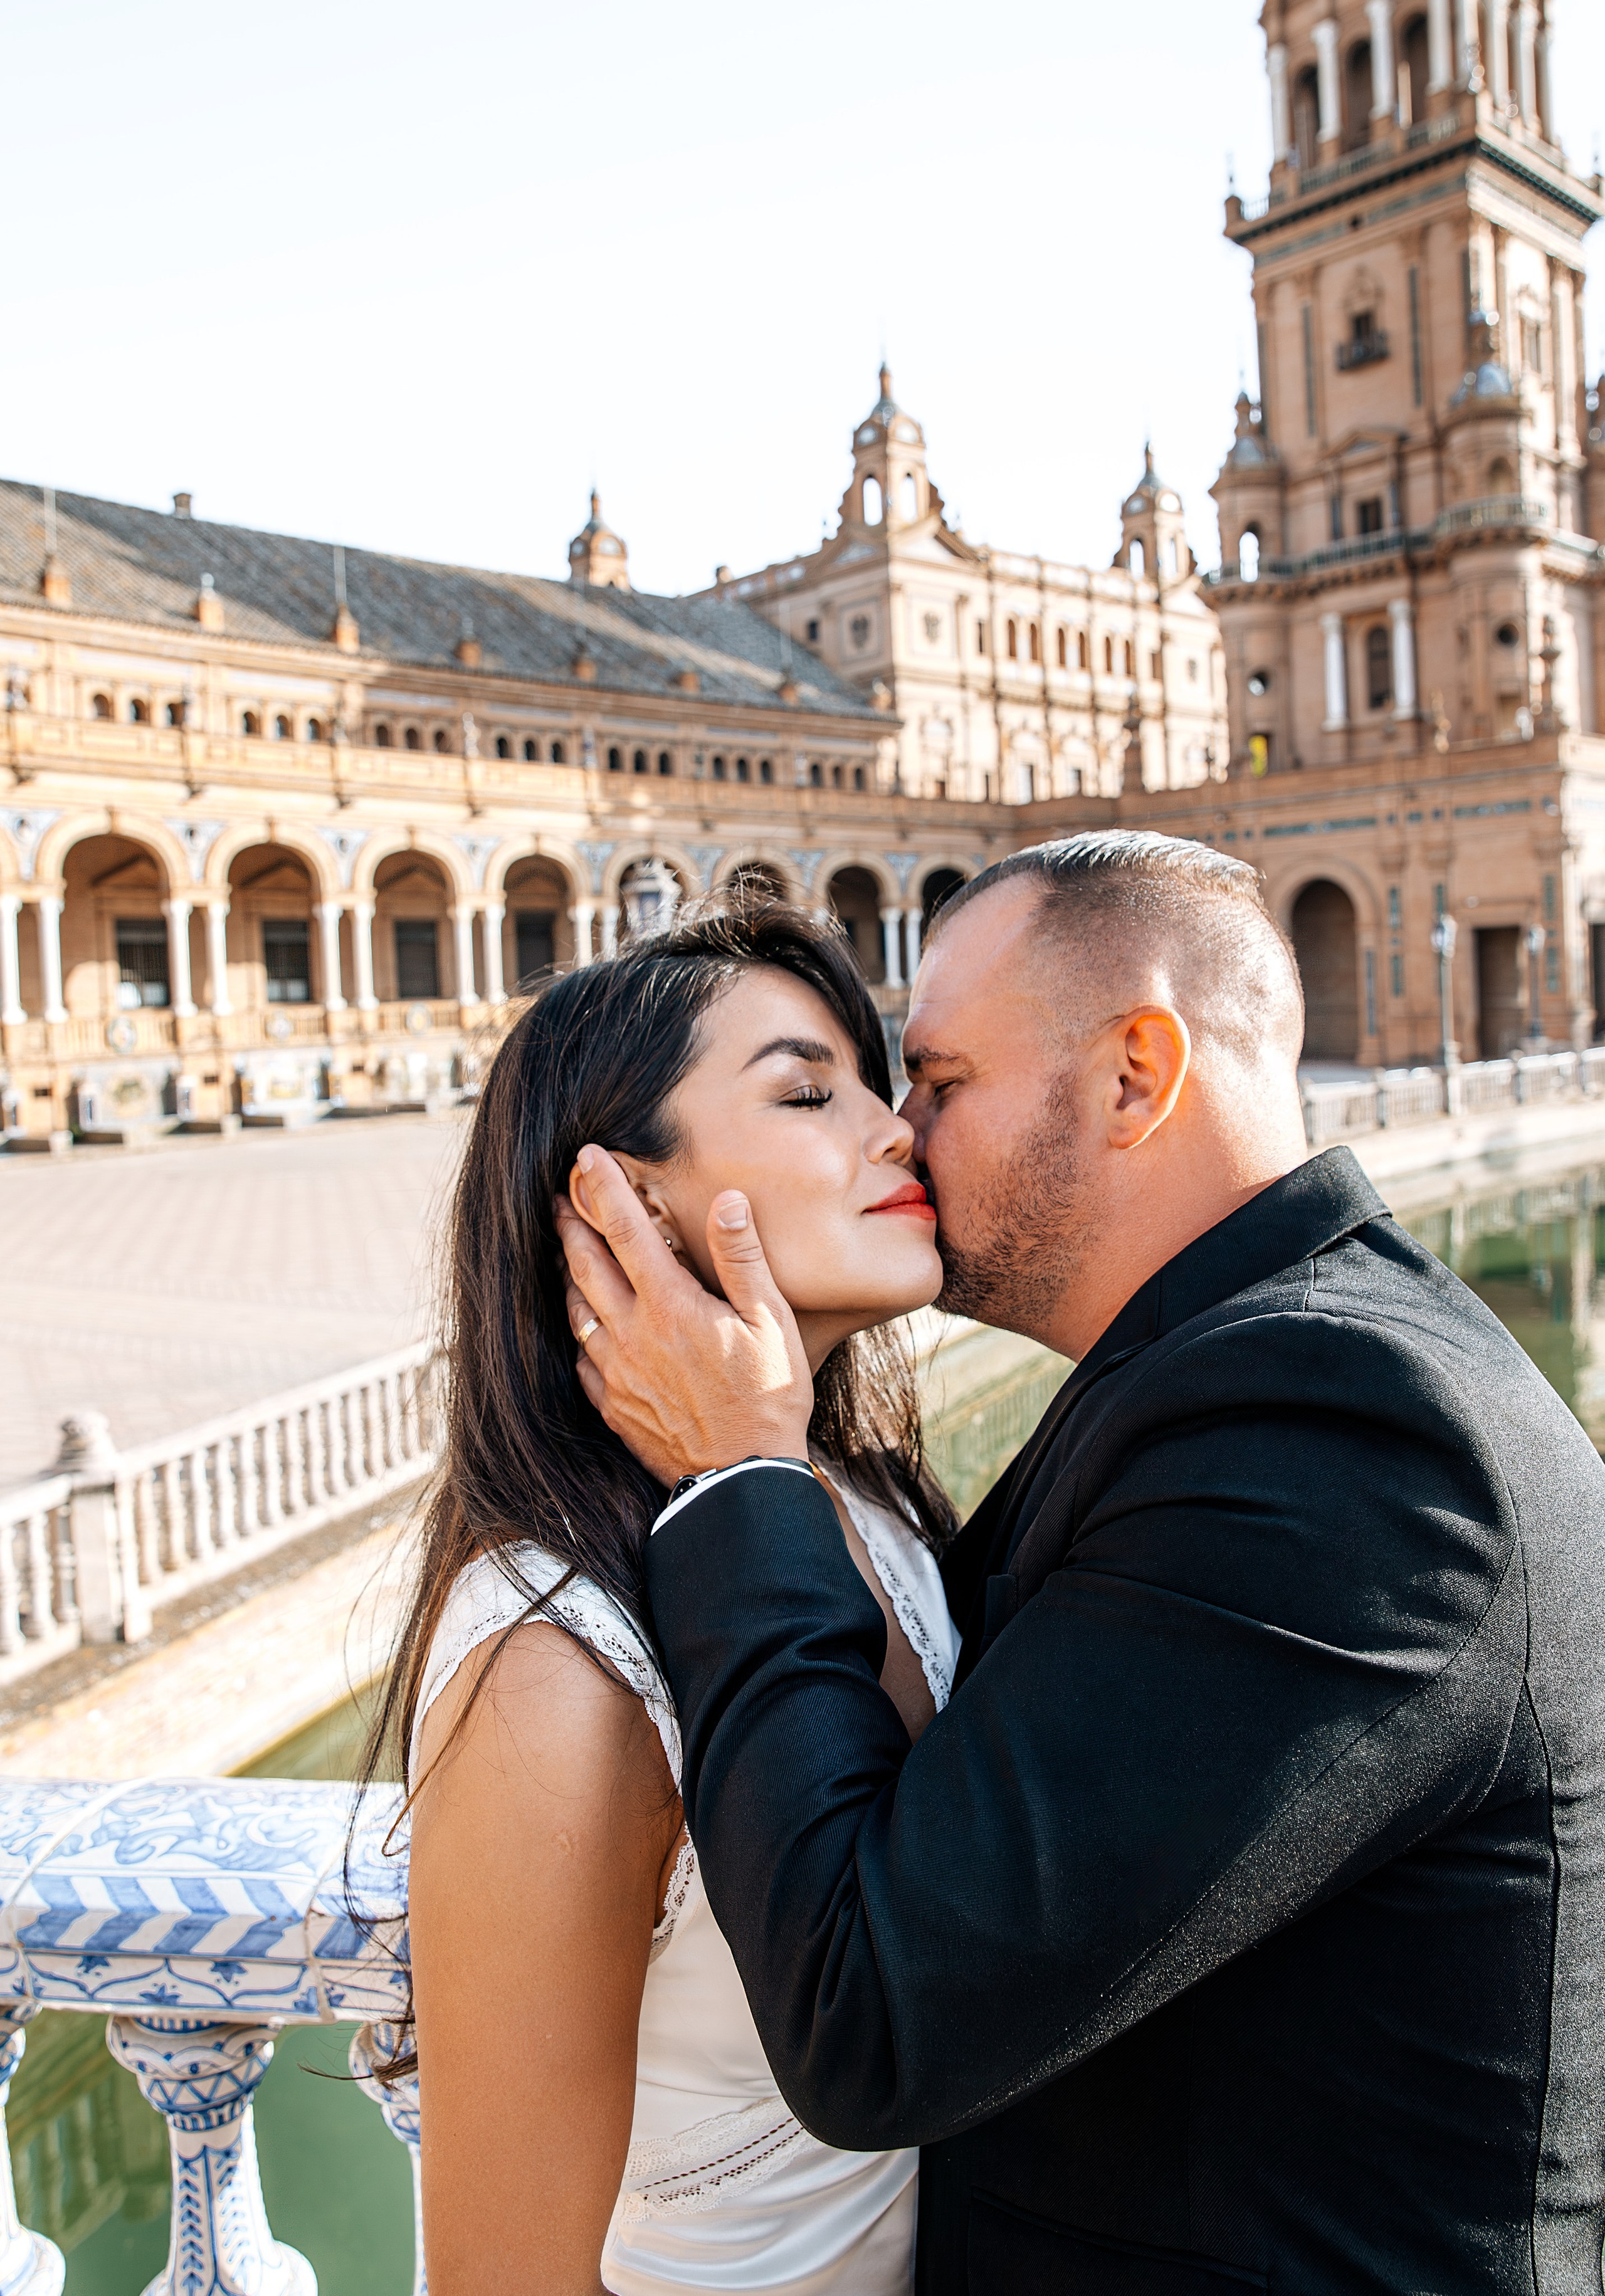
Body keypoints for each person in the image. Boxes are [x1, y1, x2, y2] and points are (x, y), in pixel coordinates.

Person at [560, 831, 1605, 2295]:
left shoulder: (1333, 1434)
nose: (900, 1132)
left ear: (1133, 1072)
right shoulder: (1248, 1364)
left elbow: (871, 2018)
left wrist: (738, 1473)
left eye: (939, 1081)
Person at [364, 898, 966, 2295]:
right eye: (809, 1091)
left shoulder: (869, 1513)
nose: (895, 1129)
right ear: (617, 1202)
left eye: (876, 1084)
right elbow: (506, 2276)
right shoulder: (553, 1663)